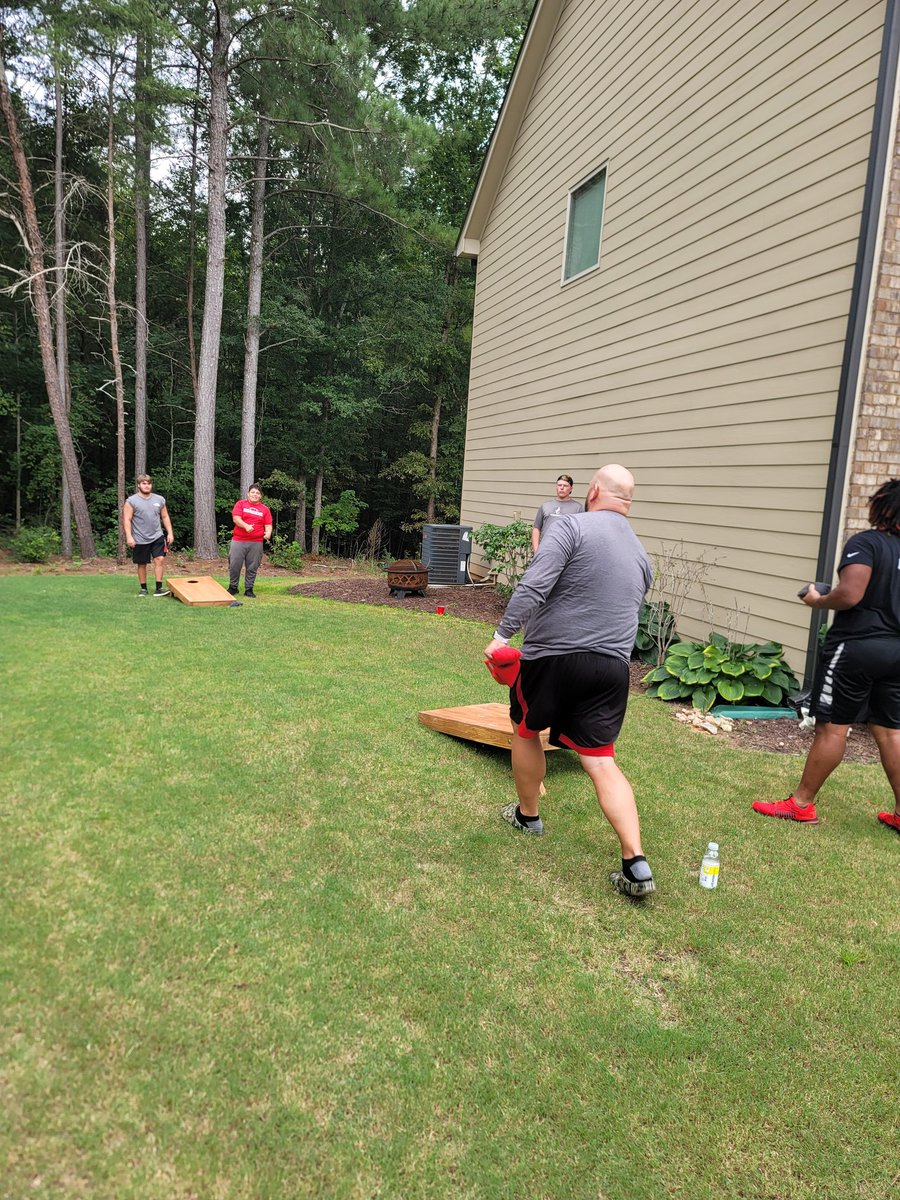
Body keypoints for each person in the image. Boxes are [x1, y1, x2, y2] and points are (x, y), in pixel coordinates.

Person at [484, 464, 656, 897]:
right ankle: (635, 862)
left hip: (554, 659)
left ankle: (528, 815)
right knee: (600, 760)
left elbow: (534, 585)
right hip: (613, 669)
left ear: (593, 491)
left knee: (526, 730)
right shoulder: (641, 554)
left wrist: (501, 635)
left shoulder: (571, 527)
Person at [753, 479, 900, 834]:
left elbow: (850, 594)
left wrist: (819, 599)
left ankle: (800, 805)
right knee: (891, 731)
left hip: (857, 648)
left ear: (881, 507)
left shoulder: (867, 543)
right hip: (897, 652)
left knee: (833, 727)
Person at [123, 474, 174, 597]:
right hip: (140, 538)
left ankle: (159, 588)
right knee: (142, 563)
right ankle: (143, 588)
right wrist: (129, 536)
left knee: (160, 559)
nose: (147, 486)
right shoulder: (131, 501)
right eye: (144, 483)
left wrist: (170, 533)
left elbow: (165, 516)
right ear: (139, 485)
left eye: (149, 483)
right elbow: (127, 519)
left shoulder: (159, 500)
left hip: (157, 536)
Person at [228, 483, 272, 598]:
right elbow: (236, 519)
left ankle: (249, 589)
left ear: (261, 496)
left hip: (256, 542)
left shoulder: (265, 509)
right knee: (234, 565)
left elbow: (268, 524)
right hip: (239, 540)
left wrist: (268, 533)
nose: (255, 494)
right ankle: (233, 587)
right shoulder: (241, 504)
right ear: (248, 494)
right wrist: (246, 526)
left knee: (252, 567)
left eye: (258, 493)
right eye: (253, 492)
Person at [531, 474, 584, 553]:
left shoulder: (578, 508)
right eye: (559, 485)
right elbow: (536, 528)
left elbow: (582, 534)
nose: (561, 488)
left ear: (571, 489)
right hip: (545, 550)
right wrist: (536, 551)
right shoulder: (545, 506)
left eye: (565, 486)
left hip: (567, 552)